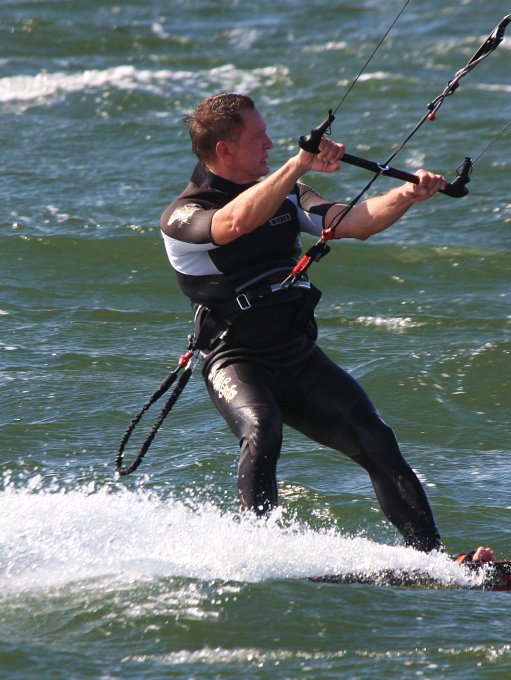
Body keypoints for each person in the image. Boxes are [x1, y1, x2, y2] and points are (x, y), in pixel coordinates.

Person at [160, 93, 492, 562]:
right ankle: (260, 554)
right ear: (224, 150)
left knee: (377, 438)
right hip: (237, 360)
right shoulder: (183, 214)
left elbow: (352, 222)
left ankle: (436, 563)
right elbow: (233, 222)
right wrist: (300, 164)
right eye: (259, 139)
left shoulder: (287, 194)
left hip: (296, 356)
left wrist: (407, 195)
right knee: (263, 426)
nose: (271, 144)